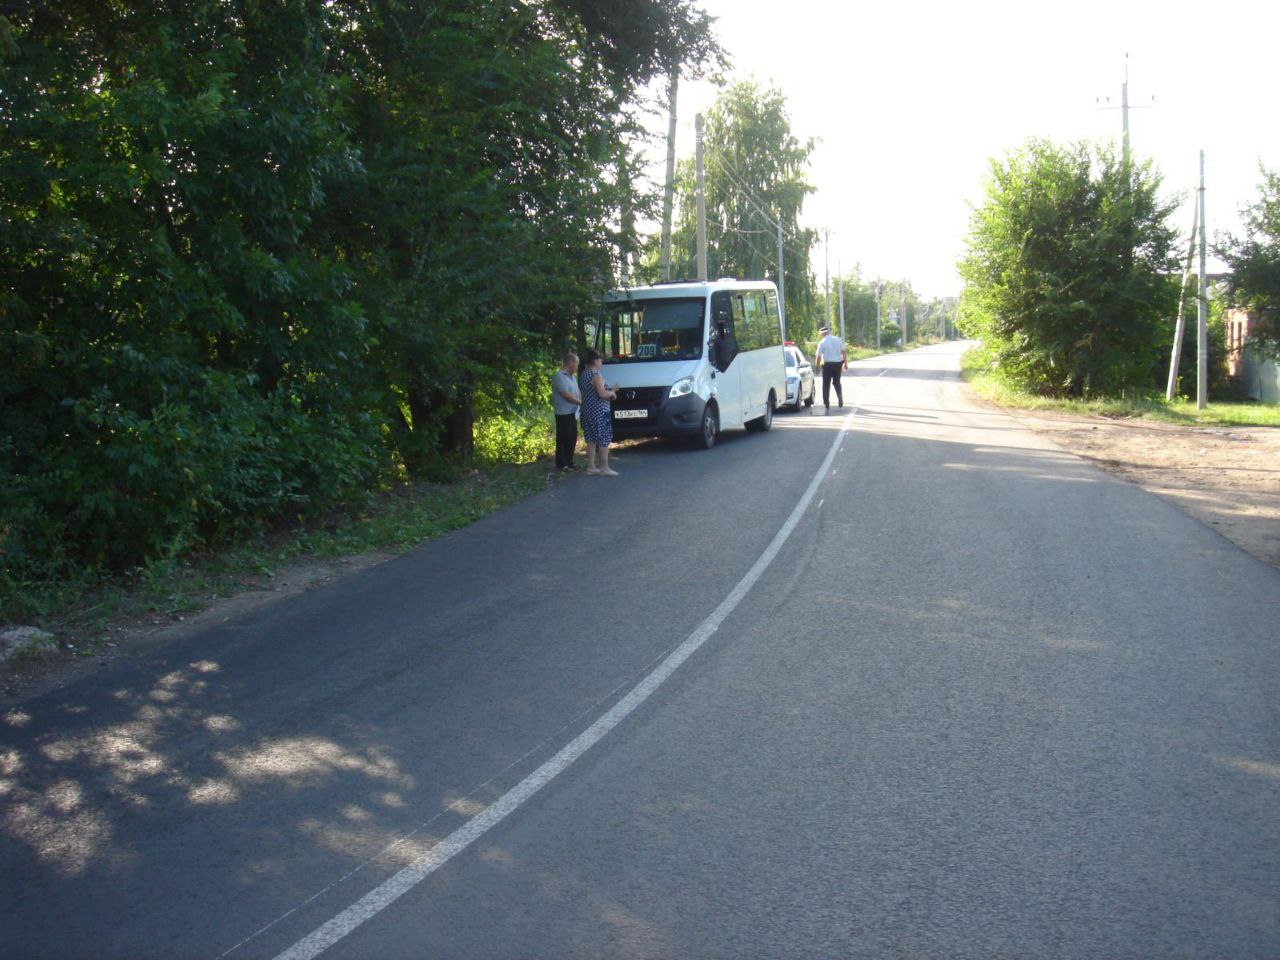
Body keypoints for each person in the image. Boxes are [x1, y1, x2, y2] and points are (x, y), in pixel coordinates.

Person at [578, 349, 619, 476]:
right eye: (600, 359)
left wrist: (610, 390)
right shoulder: (596, 374)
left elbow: (591, 393)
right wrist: (612, 392)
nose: (601, 361)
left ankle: (591, 467)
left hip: (586, 410)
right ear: (595, 360)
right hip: (599, 411)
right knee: (603, 438)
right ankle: (604, 467)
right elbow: (601, 394)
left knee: (591, 439)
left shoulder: (584, 374)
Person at [551, 352, 581, 470]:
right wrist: (579, 402)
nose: (577, 367)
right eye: (577, 364)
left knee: (572, 437)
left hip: (573, 412)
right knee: (564, 437)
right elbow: (566, 395)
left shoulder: (573, 377)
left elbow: (577, 392)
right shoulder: (559, 376)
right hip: (563, 413)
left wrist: (580, 399)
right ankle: (561, 463)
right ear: (571, 363)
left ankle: (569, 462)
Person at [813, 325, 848, 411]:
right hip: (838, 364)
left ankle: (826, 404)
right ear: (828, 332)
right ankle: (839, 395)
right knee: (837, 382)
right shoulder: (837, 339)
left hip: (828, 365)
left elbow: (818, 357)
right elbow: (843, 352)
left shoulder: (822, 342)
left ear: (822, 334)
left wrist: (817, 367)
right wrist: (846, 363)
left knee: (826, 385)